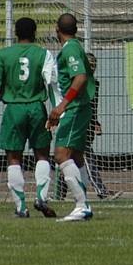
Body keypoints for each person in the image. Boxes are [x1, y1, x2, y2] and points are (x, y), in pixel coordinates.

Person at [0, 17, 56, 218]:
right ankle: (41, 197)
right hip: (36, 107)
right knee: (42, 155)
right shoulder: (43, 53)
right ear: (35, 33)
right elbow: (51, 80)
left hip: (14, 109)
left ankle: (21, 207)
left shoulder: (5, 54)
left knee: (14, 158)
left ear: (16, 33)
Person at [46, 13, 95, 222]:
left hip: (74, 109)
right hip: (75, 108)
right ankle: (84, 203)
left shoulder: (72, 48)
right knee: (75, 157)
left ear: (57, 30)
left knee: (60, 155)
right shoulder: (71, 48)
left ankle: (82, 204)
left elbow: (80, 77)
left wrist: (62, 106)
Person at [55, 52, 121, 200]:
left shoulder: (94, 84)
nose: (92, 68)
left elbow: (93, 106)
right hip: (76, 121)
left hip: (87, 123)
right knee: (85, 156)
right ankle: (101, 190)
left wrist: (95, 122)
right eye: (89, 65)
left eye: (94, 65)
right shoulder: (76, 82)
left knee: (69, 156)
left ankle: (59, 194)